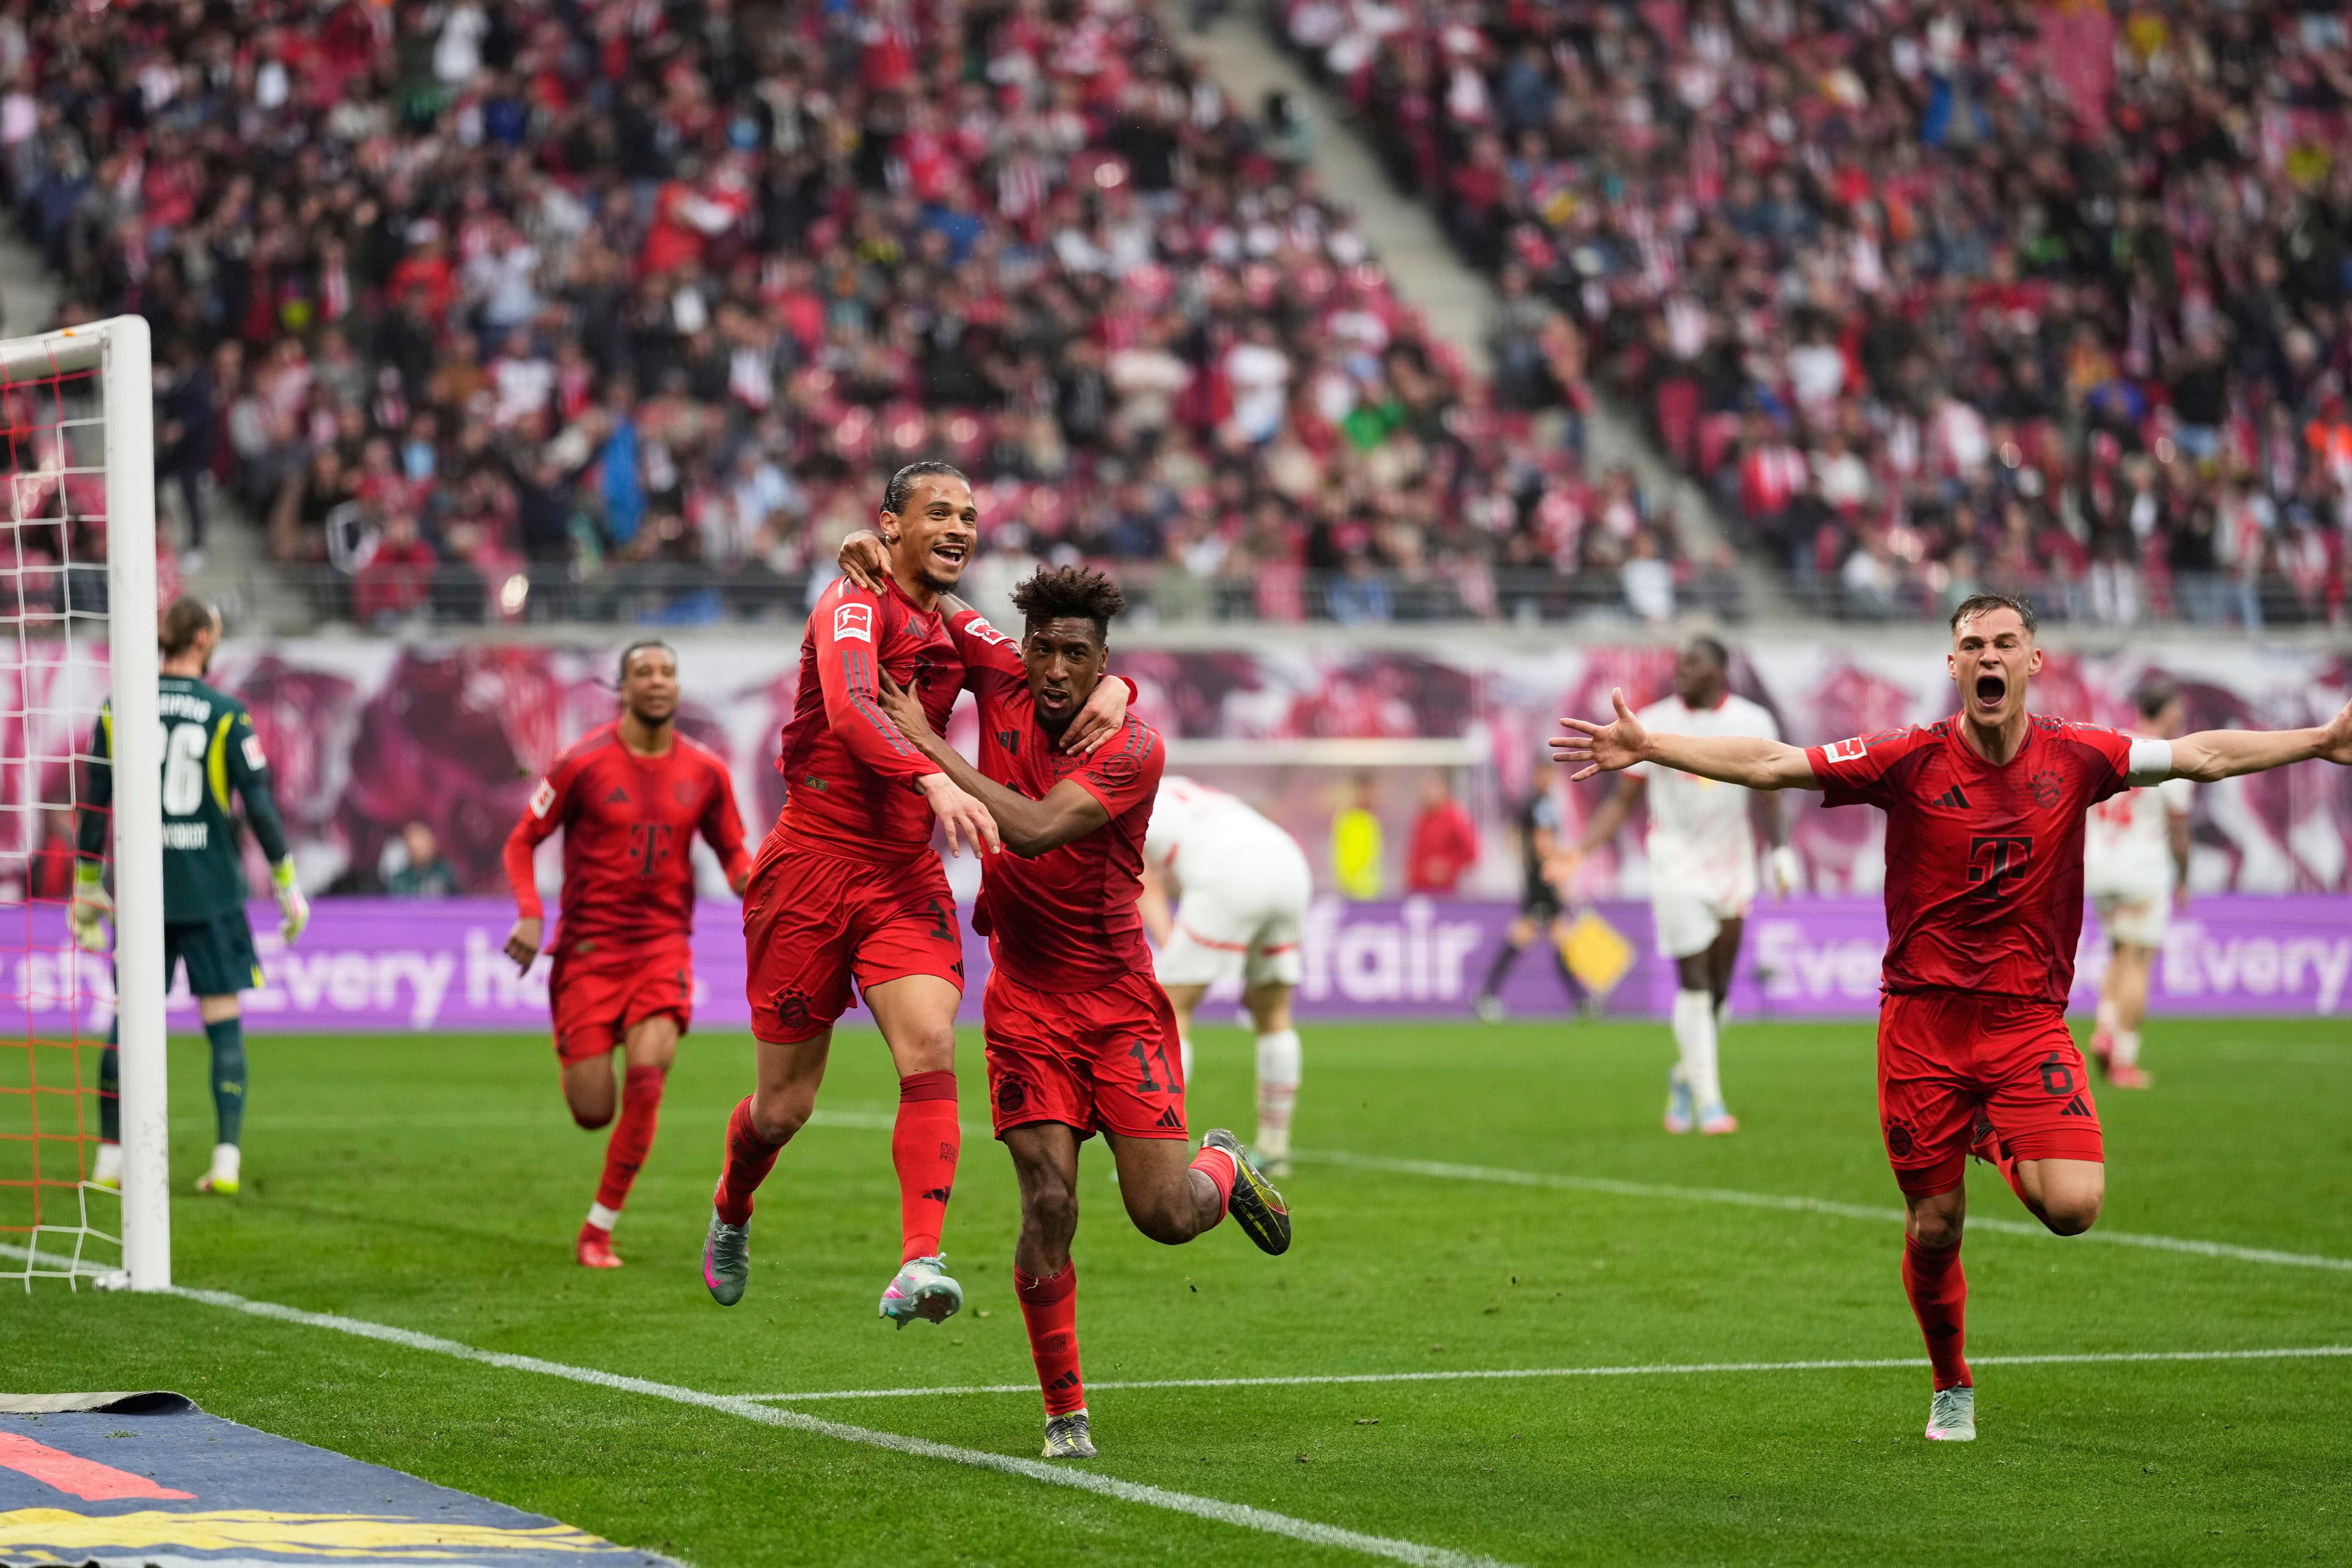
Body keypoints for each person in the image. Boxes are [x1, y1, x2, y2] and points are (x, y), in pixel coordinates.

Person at [1554, 592, 2352, 1443]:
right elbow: (1771, 764)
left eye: (2004, 642)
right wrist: (1651, 746)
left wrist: (2316, 742)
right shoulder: (1904, 757)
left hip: (2025, 1022)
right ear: (1952, 664)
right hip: (1922, 1027)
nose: (1987, 657)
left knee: (2074, 1205)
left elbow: (2198, 754)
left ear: (2031, 661)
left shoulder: (2078, 755)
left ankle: (1989, 1134)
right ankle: (1949, 1382)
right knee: (1935, 1225)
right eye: (1970, 644)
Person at [872, 565, 1289, 1460]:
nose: (1054, 668)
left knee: (1163, 1215)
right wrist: (874, 548)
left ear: (1102, 660)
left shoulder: (1133, 748)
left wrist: (929, 745)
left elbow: (1025, 828)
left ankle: (1221, 1165)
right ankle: (1065, 1411)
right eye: (1042, 648)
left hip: (1118, 1007)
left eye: (1077, 654)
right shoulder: (1004, 678)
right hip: (1022, 1002)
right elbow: (927, 597)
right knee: (1049, 1198)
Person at [704, 462, 1130, 1323]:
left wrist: (1116, 687)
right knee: (783, 1107)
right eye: (939, 511)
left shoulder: (960, 623)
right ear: (890, 524)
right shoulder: (849, 603)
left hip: (902, 875)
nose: (960, 527)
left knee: (930, 1042)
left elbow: (1042, 678)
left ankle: (918, 1260)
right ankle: (731, 1205)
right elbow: (856, 708)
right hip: (811, 866)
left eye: (970, 515)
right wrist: (933, 780)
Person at [502, 641, 751, 1269]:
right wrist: (531, 913)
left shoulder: (706, 771)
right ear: (623, 687)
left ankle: (598, 1227)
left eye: (668, 671)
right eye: (644, 672)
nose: (659, 681)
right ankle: (583, 1058)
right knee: (593, 1111)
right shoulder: (580, 762)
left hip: (663, 947)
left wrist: (774, 882)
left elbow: (734, 859)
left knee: (648, 1077)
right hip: (587, 952)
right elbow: (521, 841)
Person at [72, 597, 310, 1196]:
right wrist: (287, 886)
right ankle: (226, 1159)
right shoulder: (228, 715)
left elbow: (96, 807)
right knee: (223, 1024)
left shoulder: (117, 708)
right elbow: (258, 808)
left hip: (146, 893)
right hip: (211, 890)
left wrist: (85, 889)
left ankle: (109, 1160)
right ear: (203, 639)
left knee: (127, 1023)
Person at [1553, 638, 1798, 1134]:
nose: (1681, 671)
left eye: (1693, 664)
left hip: (1732, 866)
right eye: (1679, 663)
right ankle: (1710, 1104)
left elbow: (1771, 796)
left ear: (1720, 671)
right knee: (1694, 986)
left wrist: (1780, 853)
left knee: (1719, 996)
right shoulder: (1652, 721)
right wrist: (1579, 852)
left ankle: (1685, 1075)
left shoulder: (1753, 722)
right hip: (1673, 866)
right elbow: (1622, 801)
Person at [1137, 777, 1315, 1176]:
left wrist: (1171, 946)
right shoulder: (1183, 790)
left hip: (1228, 869)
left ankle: (1159, 1151)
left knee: (1170, 1011)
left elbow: (1144, 883)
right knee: (1274, 1013)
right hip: (1287, 861)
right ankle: (1275, 1147)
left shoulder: (1124, 798)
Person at [2083, 676, 2194, 1089]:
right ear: (2167, 713)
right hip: (2143, 871)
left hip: (2098, 866)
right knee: (2140, 961)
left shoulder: (2111, 743)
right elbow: (2179, 830)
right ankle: (2124, 1057)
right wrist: (2183, 877)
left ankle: (2105, 1026)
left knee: (2119, 951)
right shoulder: (2168, 756)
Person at [1473, 757, 1582, 1021]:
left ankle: (1582, 1000)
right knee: (1528, 937)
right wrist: (1562, 867)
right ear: (1538, 775)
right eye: (1547, 774)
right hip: (1543, 883)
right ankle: (1487, 996)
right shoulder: (1541, 804)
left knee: (1558, 939)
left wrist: (1525, 863)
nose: (1550, 780)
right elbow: (1542, 843)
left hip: (1539, 880)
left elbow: (1515, 835)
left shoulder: (1532, 804)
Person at [1404, 770, 1480, 894]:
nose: (1427, 792)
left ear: (1443, 788)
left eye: (1431, 786)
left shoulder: (1455, 818)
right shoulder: (1423, 818)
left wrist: (1448, 866)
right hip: (1418, 890)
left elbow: (1472, 852)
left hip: (1444, 893)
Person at [1330, 771, 1383, 899]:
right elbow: (1345, 858)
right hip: (1353, 894)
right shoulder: (1350, 819)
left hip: (1372, 892)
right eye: (1370, 791)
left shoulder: (1371, 820)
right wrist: (1347, 886)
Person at [386, 820, 459, 897]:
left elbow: (461, 902)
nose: (418, 850)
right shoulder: (400, 880)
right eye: (414, 846)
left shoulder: (446, 874)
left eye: (422, 845)